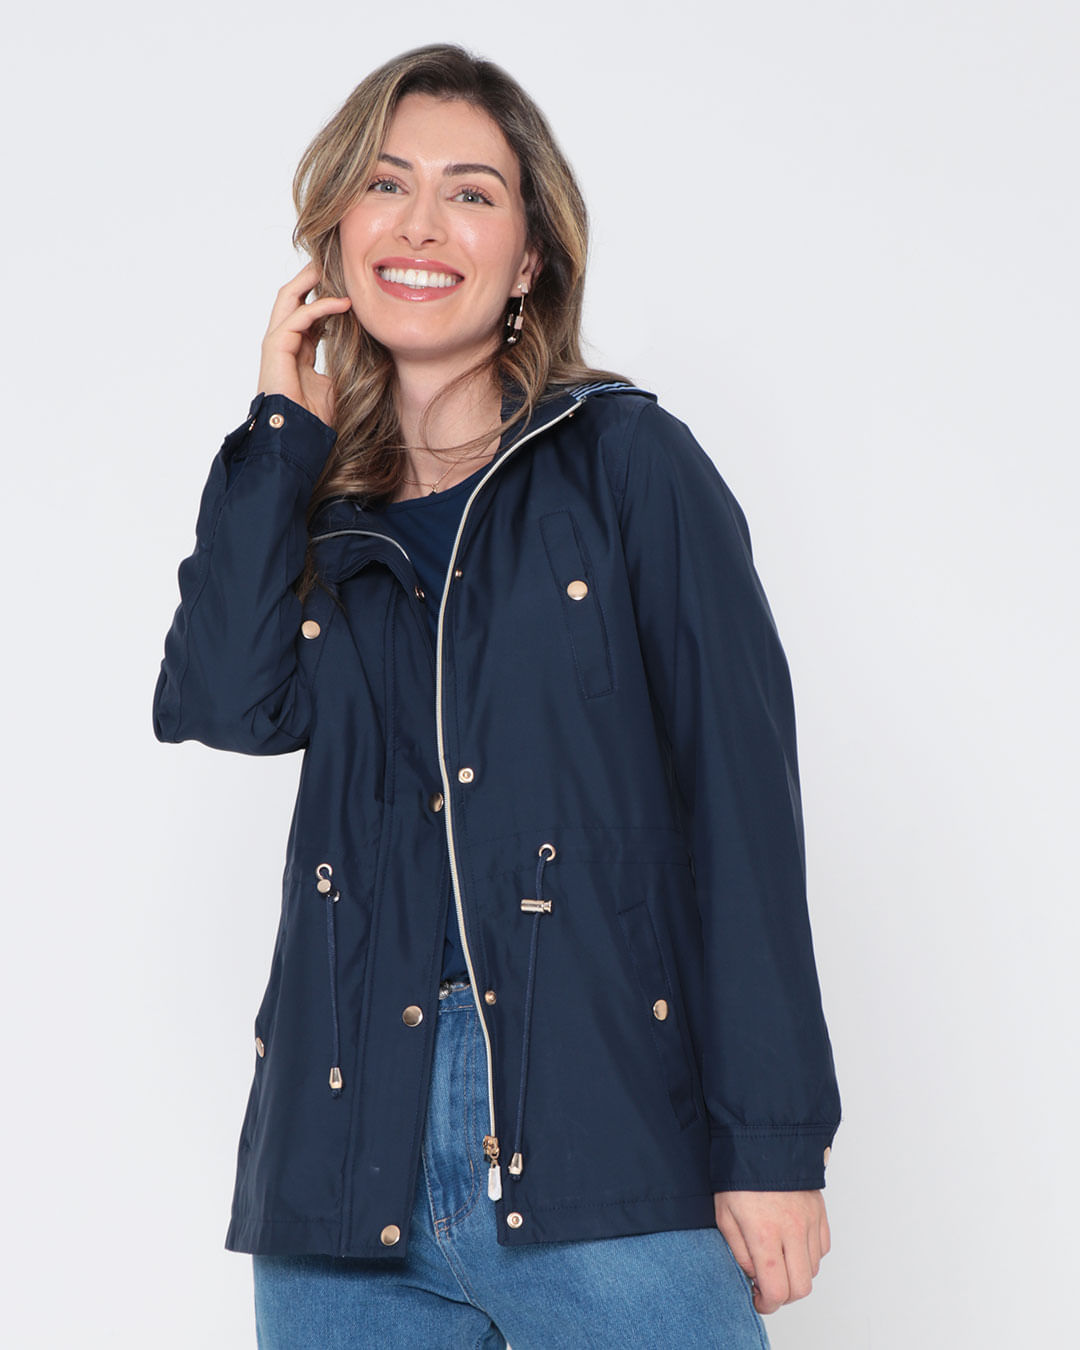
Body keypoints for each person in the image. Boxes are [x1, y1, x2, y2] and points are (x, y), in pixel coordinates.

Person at [153, 42, 841, 1350]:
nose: (420, 224)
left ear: (529, 259)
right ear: (338, 233)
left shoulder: (631, 465)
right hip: (339, 1176)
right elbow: (223, 704)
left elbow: (743, 811)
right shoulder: (319, 509)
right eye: (386, 185)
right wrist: (280, 436)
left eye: (470, 193)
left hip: (602, 1141)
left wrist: (774, 1144)